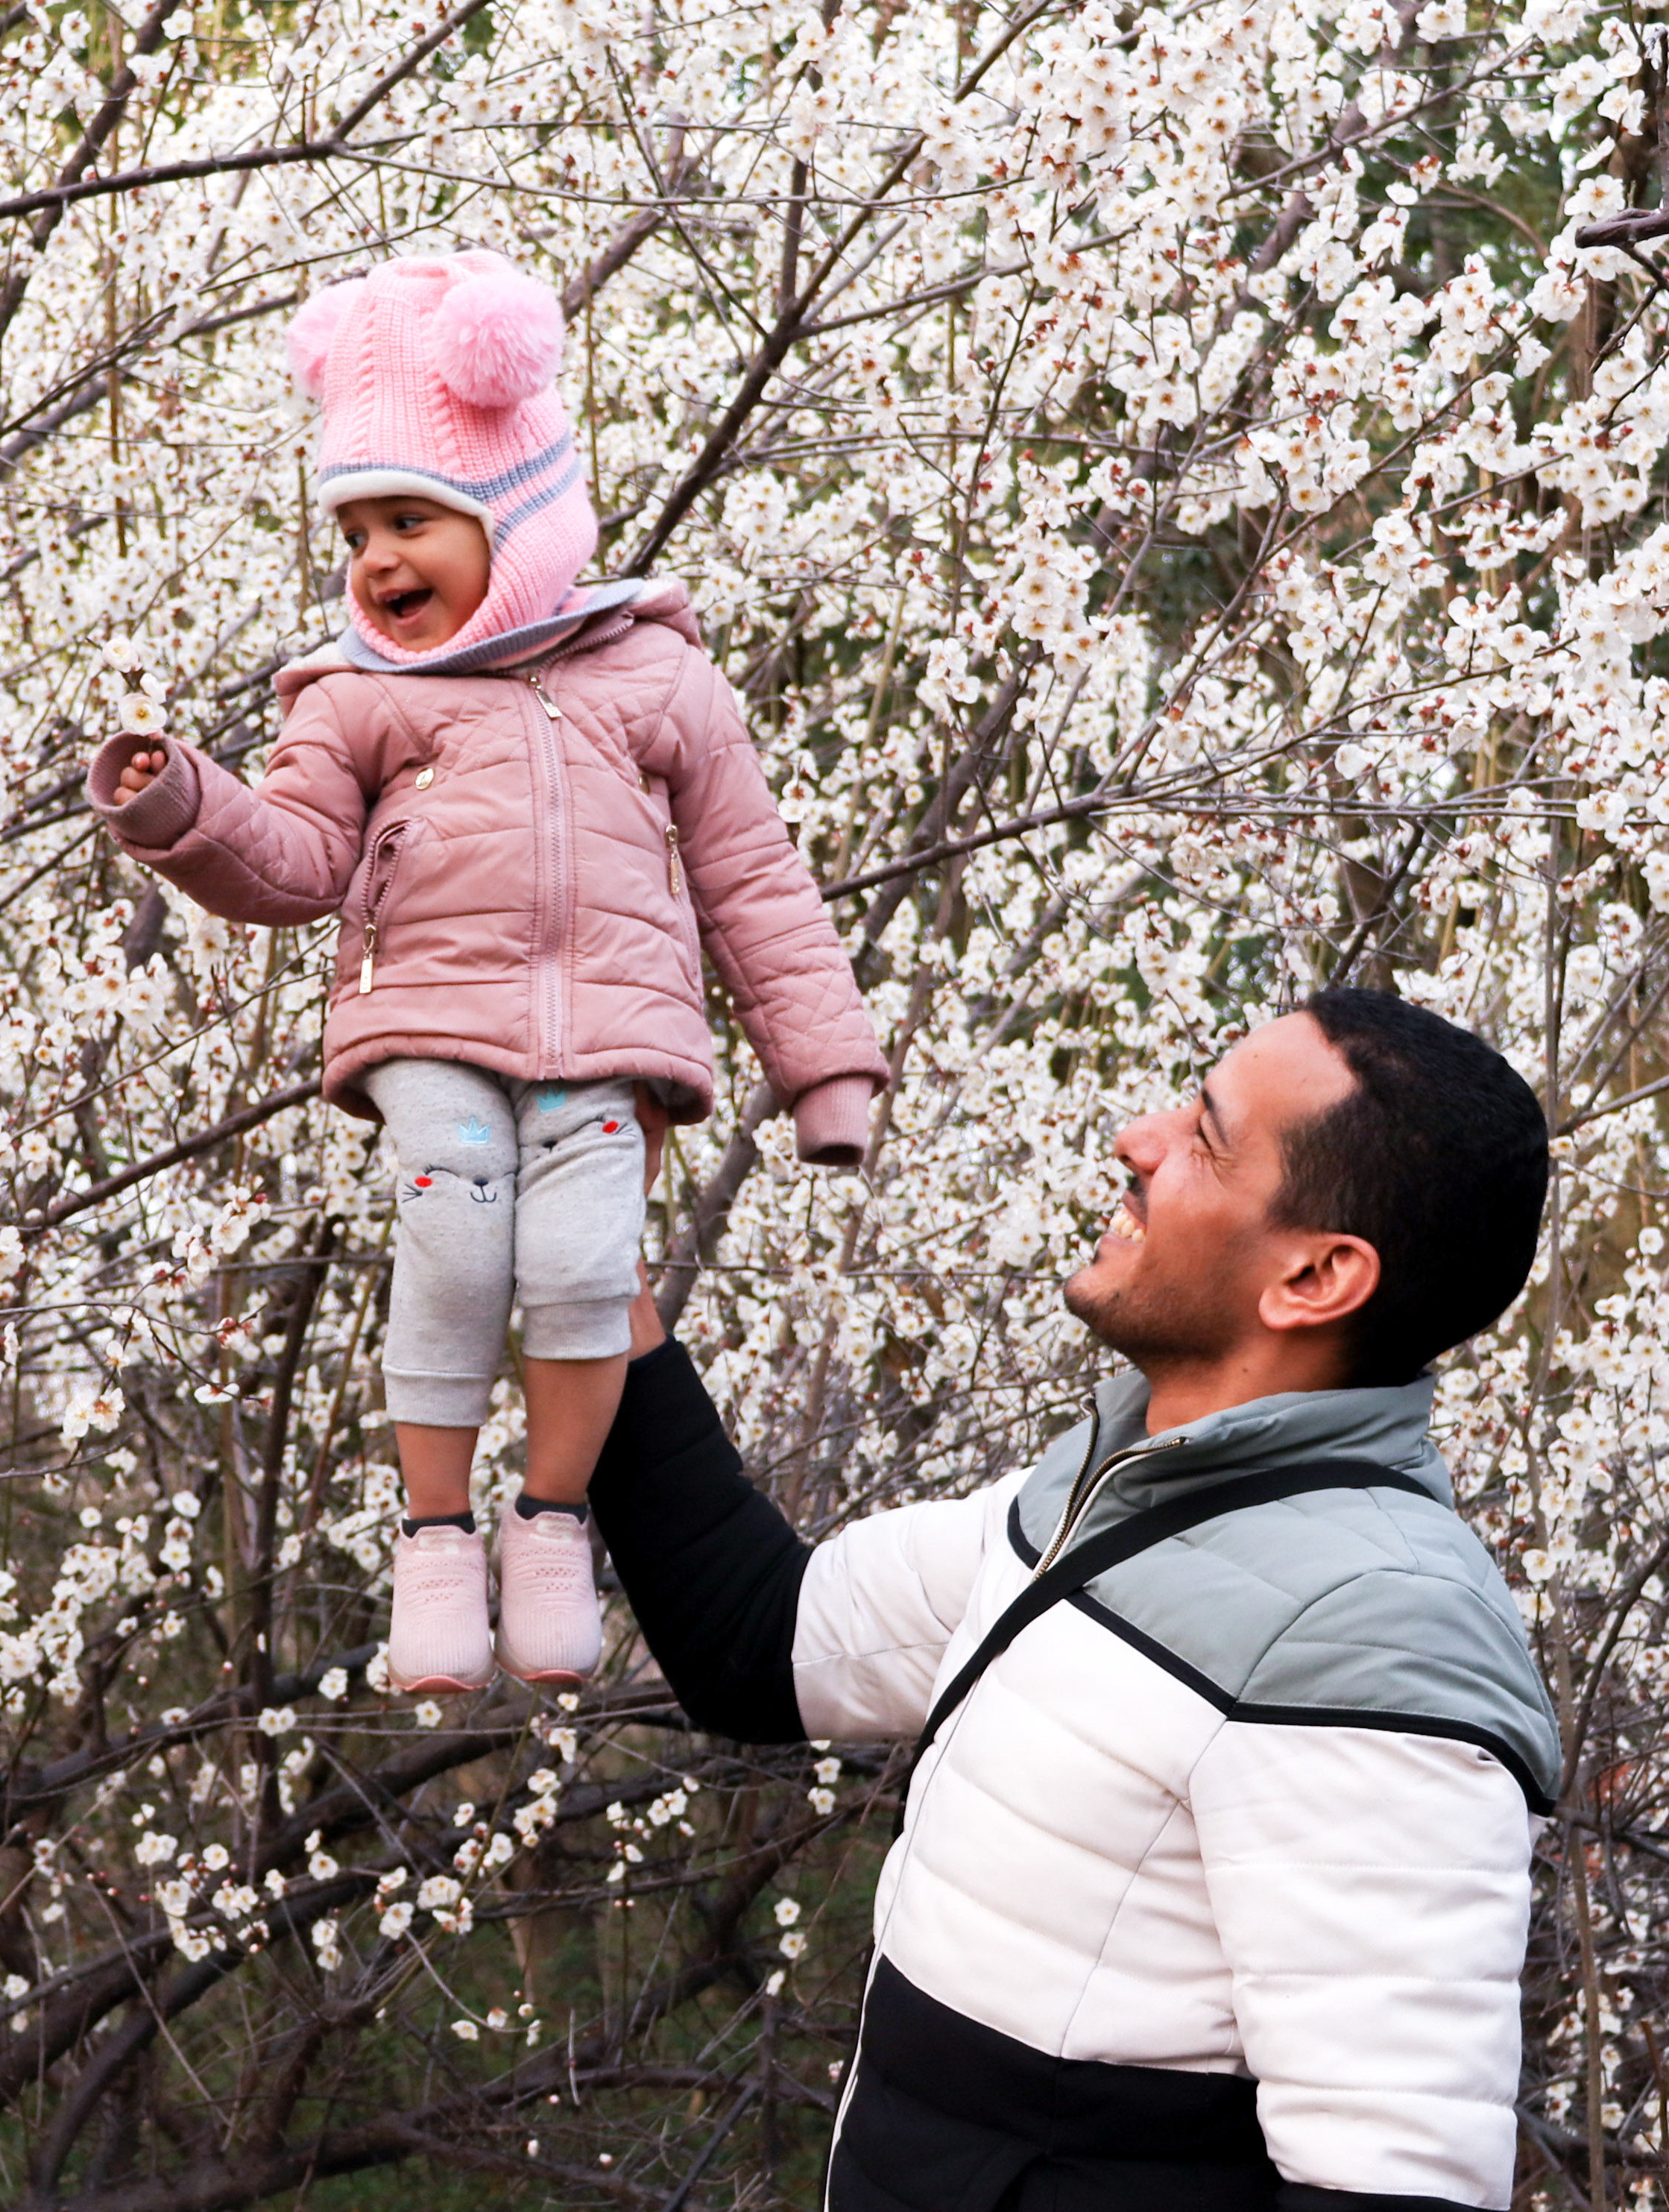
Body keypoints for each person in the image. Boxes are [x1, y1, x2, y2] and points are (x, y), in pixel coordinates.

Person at [593, 989, 1559, 2212]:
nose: (1136, 1137)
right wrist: (590, 1280)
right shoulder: (1104, 1495)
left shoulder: (1371, 1631)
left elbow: (1396, 2186)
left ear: (1314, 1274)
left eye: (1204, 1135)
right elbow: (759, 1638)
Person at [84, 250, 884, 1697]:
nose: (378, 560)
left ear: (509, 514)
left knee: (582, 1267)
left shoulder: (659, 678)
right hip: (435, 1028)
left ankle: (551, 1521)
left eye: (411, 519)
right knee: (454, 1240)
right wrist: (185, 807)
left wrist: (821, 1066)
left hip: (607, 1040)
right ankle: (435, 1535)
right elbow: (299, 857)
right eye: (355, 530)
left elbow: (755, 879)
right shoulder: (356, 698)